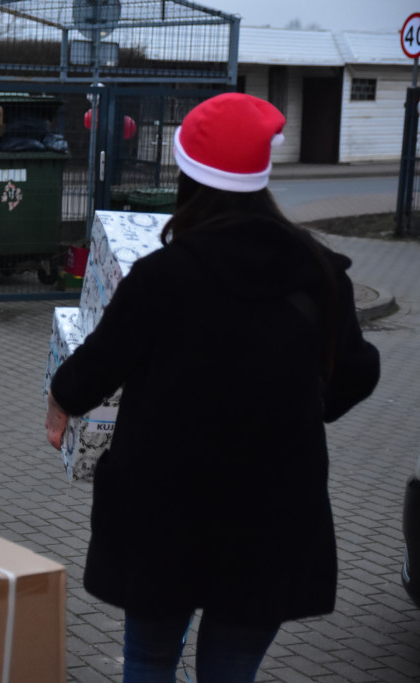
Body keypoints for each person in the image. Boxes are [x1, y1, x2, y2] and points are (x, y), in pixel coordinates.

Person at [45, 93, 380, 682]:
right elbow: (357, 372)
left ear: (186, 176)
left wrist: (60, 404)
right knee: (230, 672)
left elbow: (93, 369)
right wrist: (305, 405)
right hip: (272, 519)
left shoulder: (162, 277)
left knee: (148, 662)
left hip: (163, 518)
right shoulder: (320, 273)